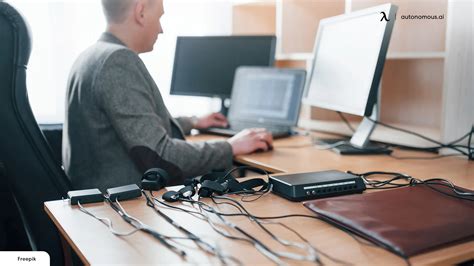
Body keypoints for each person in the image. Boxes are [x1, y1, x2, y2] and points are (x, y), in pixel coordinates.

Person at [62, 0, 273, 191]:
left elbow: (135, 124)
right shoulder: (117, 61)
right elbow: (160, 155)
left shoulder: (91, 56)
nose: (161, 29)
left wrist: (194, 122)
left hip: (99, 199)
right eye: (160, 17)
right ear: (141, 11)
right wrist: (231, 146)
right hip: (122, 210)